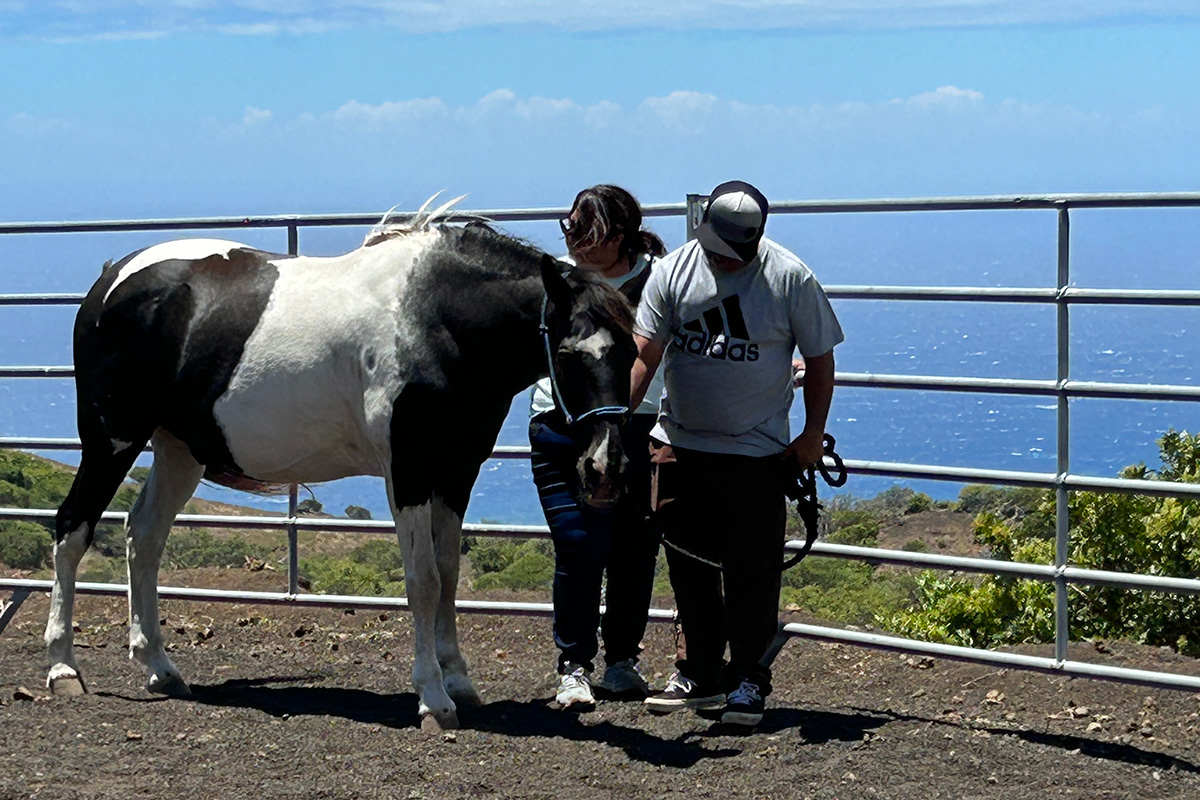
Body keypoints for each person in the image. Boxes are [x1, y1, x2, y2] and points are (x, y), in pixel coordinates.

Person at [629, 180, 843, 727]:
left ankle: (749, 675)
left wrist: (812, 436)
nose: (726, 262)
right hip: (680, 442)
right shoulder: (672, 272)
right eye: (720, 251)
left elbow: (820, 359)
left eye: (736, 253)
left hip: (756, 450)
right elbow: (644, 355)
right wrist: (610, 424)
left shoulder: (790, 277)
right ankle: (699, 670)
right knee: (688, 563)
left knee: (753, 566)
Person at [529, 184, 668, 710]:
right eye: (570, 231)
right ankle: (573, 664)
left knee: (635, 548)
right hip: (562, 424)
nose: (576, 243)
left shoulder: (660, 278)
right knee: (577, 542)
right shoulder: (556, 281)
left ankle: (622, 660)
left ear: (621, 235)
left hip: (638, 425)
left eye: (588, 233)